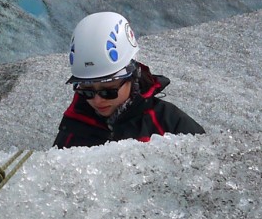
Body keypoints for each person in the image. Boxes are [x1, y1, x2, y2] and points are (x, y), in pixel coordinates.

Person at [54, 12, 205, 148]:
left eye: (108, 91)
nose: (98, 101)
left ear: (132, 76)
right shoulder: (74, 127)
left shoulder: (169, 124)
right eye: (87, 92)